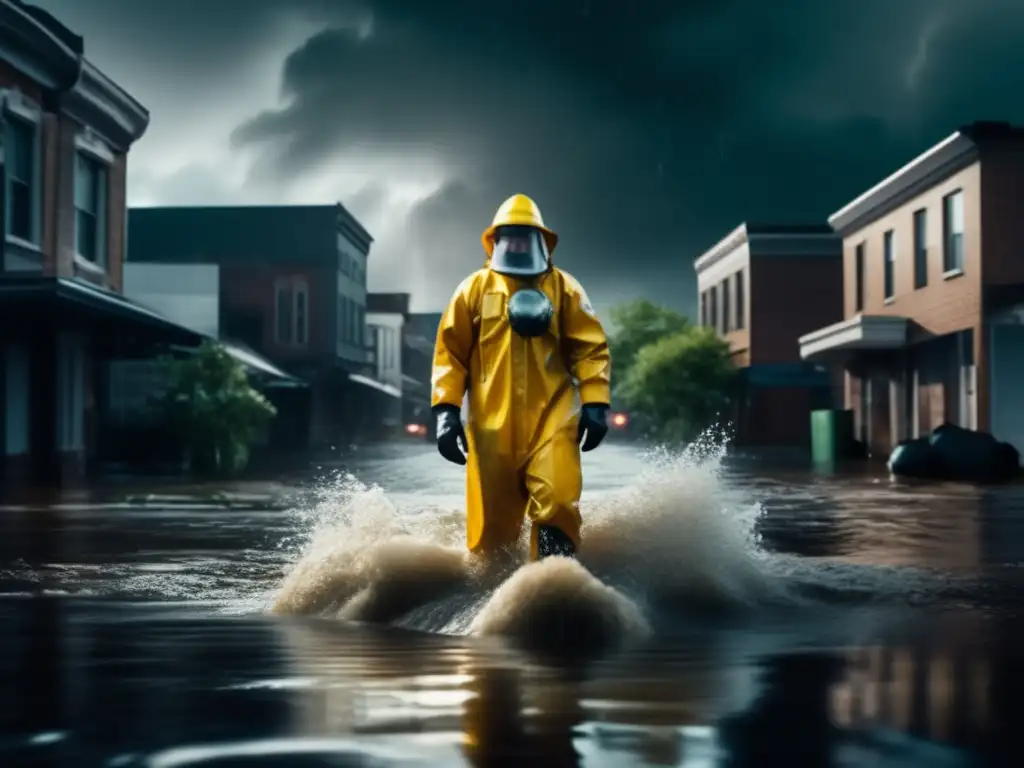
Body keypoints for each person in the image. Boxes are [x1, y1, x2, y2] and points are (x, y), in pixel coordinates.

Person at [431, 193, 611, 562]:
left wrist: (596, 403)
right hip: (490, 427)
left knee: (558, 503)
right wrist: (445, 412)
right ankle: (494, 602)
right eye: (508, 237)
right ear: (495, 242)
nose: (515, 244)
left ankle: (552, 591)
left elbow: (590, 348)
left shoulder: (565, 289)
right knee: (491, 536)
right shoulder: (473, 290)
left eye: (523, 237)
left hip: (553, 419)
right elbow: (449, 355)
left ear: (540, 242)